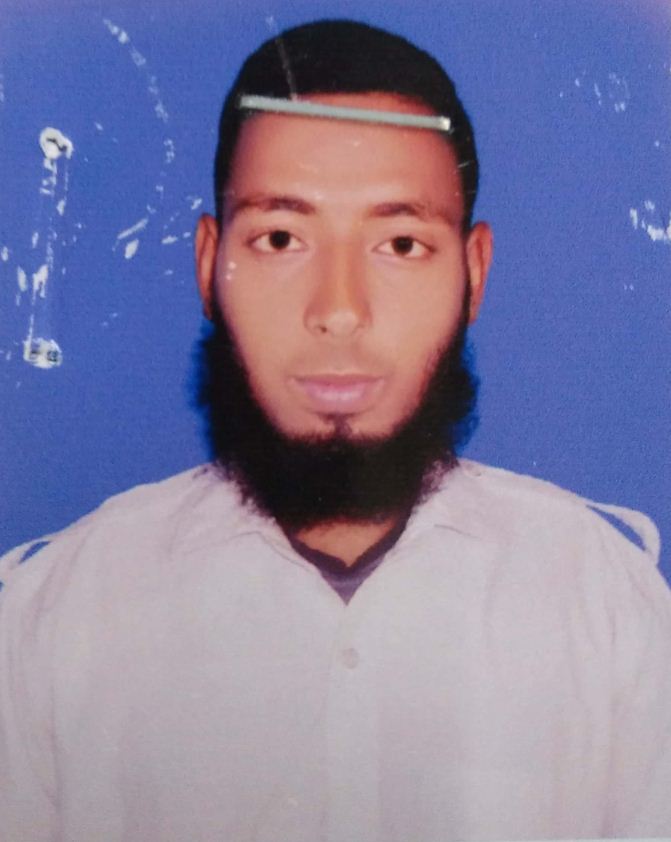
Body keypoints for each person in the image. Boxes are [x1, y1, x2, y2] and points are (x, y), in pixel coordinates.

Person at [1, 18, 670, 842]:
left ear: (473, 272)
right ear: (209, 265)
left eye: (400, 243)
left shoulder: (605, 606)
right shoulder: (51, 618)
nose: (340, 309)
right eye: (281, 238)